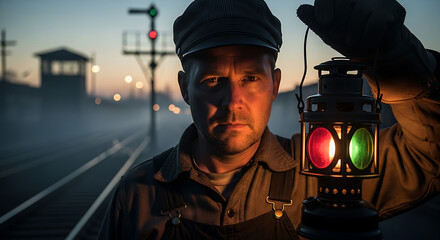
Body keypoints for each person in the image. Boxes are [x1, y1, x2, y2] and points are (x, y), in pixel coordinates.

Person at [99, 0, 440, 239]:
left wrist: (402, 66)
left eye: (250, 79)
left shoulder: (323, 174)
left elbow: (429, 156)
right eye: (213, 80)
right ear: (185, 88)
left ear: (275, 84)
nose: (233, 101)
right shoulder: (136, 197)